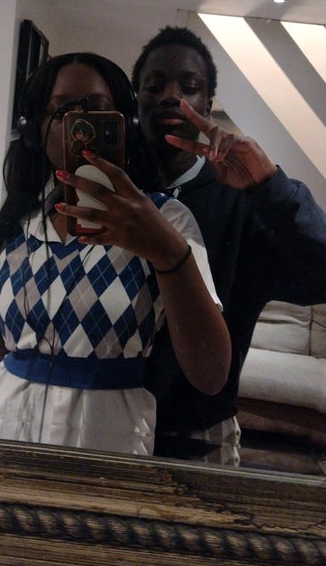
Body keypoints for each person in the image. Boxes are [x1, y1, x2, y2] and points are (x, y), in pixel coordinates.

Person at [0, 52, 231, 455]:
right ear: (36, 130)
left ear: (124, 125)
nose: (81, 124)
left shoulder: (166, 221)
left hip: (104, 445)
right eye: (62, 110)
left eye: (96, 109)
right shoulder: (19, 223)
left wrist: (165, 250)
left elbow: (211, 374)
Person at [130, 25, 326, 464]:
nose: (170, 96)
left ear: (208, 103)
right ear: (135, 99)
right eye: (154, 85)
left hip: (200, 434)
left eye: (189, 87)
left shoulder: (244, 203)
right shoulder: (116, 194)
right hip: (105, 424)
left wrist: (270, 186)